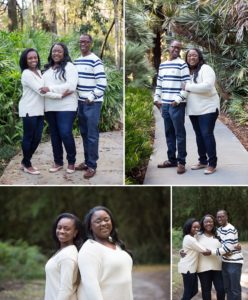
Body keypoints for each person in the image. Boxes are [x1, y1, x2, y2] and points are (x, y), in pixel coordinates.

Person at [18, 48, 66, 175]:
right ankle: (27, 164)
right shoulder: (26, 74)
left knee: (37, 138)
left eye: (35, 57)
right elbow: (41, 91)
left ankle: (24, 161)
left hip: (39, 110)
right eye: (30, 58)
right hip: (28, 109)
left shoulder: (39, 72)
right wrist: (60, 95)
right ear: (25, 60)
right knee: (29, 137)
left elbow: (47, 87)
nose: (33, 60)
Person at [77, 206, 133, 300]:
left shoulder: (116, 244)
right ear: (90, 226)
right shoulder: (89, 249)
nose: (103, 223)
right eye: (98, 221)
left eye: (106, 219)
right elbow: (91, 287)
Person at [154, 40, 190, 174]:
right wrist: (156, 99)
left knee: (179, 133)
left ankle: (181, 162)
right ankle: (171, 160)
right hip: (165, 105)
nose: (176, 49)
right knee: (169, 133)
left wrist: (178, 99)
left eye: (178, 48)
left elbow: (187, 85)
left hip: (176, 105)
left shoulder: (182, 65)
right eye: (173, 47)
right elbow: (159, 84)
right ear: (168, 48)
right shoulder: (162, 66)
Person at [74, 34, 107, 179]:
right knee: (84, 133)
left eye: (86, 42)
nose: (83, 44)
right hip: (80, 102)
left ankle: (92, 166)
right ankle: (87, 162)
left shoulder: (95, 61)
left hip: (92, 103)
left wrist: (91, 97)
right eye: (81, 41)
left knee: (92, 135)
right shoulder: (77, 60)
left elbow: (102, 84)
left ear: (91, 44)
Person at [41, 42, 78, 174]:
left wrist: (50, 89)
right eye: (54, 51)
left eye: (59, 51)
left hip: (67, 106)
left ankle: (72, 161)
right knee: (55, 135)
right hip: (50, 107)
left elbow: (71, 87)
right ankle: (58, 162)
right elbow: (41, 89)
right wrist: (59, 95)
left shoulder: (70, 67)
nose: (56, 53)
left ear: (64, 53)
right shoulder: (47, 71)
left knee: (65, 132)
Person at [184, 48, 220, 175]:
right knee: (199, 136)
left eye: (194, 55)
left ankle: (212, 164)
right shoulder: (187, 72)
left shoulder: (206, 69)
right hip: (194, 110)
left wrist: (187, 86)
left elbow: (207, 86)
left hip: (208, 108)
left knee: (207, 134)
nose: (191, 58)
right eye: (189, 56)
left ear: (199, 57)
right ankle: (203, 160)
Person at [44, 212, 84, 300]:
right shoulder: (63, 251)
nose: (61, 231)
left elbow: (65, 290)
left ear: (75, 232)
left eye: (66, 229)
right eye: (59, 227)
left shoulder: (68, 256)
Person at [178, 218, 210, 299]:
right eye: (194, 227)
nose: (197, 229)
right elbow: (204, 250)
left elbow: (184, 249)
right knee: (188, 292)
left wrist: (180, 251)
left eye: (198, 227)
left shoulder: (192, 236)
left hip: (192, 268)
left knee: (194, 291)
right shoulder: (190, 239)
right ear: (189, 227)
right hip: (188, 269)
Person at [214, 210, 243, 300]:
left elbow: (227, 248)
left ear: (226, 217)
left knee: (234, 289)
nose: (220, 218)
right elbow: (217, 243)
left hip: (234, 262)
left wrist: (215, 252)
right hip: (225, 261)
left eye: (222, 216)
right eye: (218, 217)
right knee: (227, 288)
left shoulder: (230, 228)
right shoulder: (219, 230)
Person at [197, 214, 225, 300]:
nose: (208, 223)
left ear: (213, 223)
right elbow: (188, 246)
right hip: (203, 268)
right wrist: (181, 251)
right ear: (203, 223)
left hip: (218, 268)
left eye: (211, 221)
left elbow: (226, 248)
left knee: (221, 290)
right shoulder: (197, 235)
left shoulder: (219, 234)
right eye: (206, 222)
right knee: (206, 291)